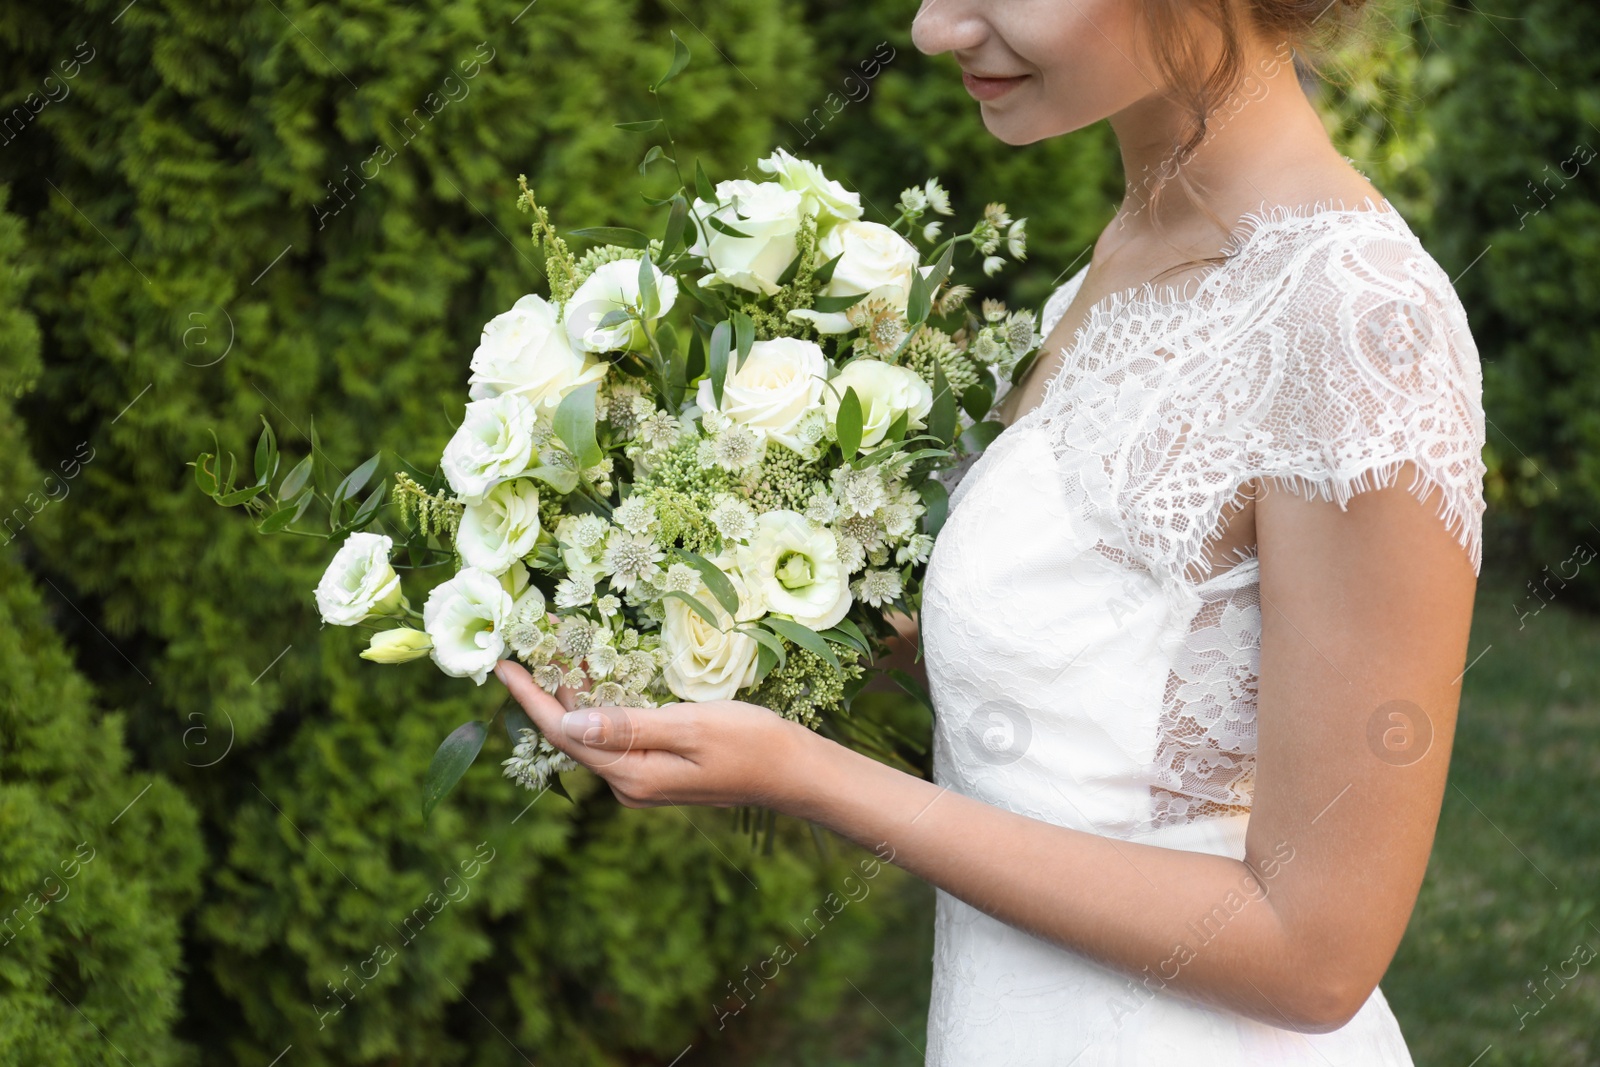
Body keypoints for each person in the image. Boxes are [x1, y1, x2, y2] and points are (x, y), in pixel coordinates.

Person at [495, 1, 1486, 1062]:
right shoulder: (1137, 240)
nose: (933, 28)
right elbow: (1105, 686)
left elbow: (1314, 951)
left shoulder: (1358, 327)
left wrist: (807, 774)